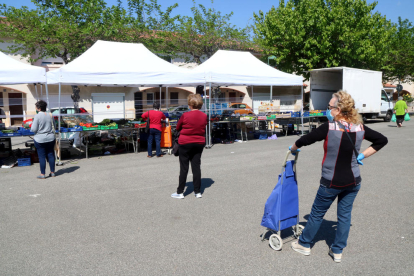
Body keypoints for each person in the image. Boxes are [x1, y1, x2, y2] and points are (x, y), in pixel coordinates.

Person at [289, 91, 388, 263]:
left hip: (331, 181)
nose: (328, 110)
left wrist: (293, 148)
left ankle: (304, 244)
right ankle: (337, 250)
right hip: (354, 181)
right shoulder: (360, 127)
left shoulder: (329, 127)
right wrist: (363, 155)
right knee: (344, 216)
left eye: (329, 107)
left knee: (317, 213)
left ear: (339, 109)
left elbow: (305, 139)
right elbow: (381, 140)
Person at [171, 94, 207, 199]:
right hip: (199, 142)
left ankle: (180, 192)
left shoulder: (185, 115)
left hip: (185, 142)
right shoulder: (204, 116)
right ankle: (197, 191)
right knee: (196, 167)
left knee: (184, 168)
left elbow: (178, 127)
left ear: (190, 104)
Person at [30, 100, 56, 179]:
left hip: (40, 139)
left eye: (36, 108)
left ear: (39, 108)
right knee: (51, 155)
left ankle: (43, 174)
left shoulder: (37, 116)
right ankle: (52, 172)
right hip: (51, 138)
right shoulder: (50, 115)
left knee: (42, 157)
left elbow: (33, 129)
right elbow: (54, 126)